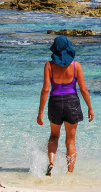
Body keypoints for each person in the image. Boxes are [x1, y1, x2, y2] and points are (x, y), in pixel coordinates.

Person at [37, 35, 94, 176]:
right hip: (72, 103)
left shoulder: (49, 65)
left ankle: (51, 162)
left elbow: (45, 89)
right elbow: (84, 89)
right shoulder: (76, 66)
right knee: (71, 141)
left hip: (55, 103)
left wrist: (40, 112)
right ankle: (70, 172)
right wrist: (90, 107)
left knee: (54, 136)